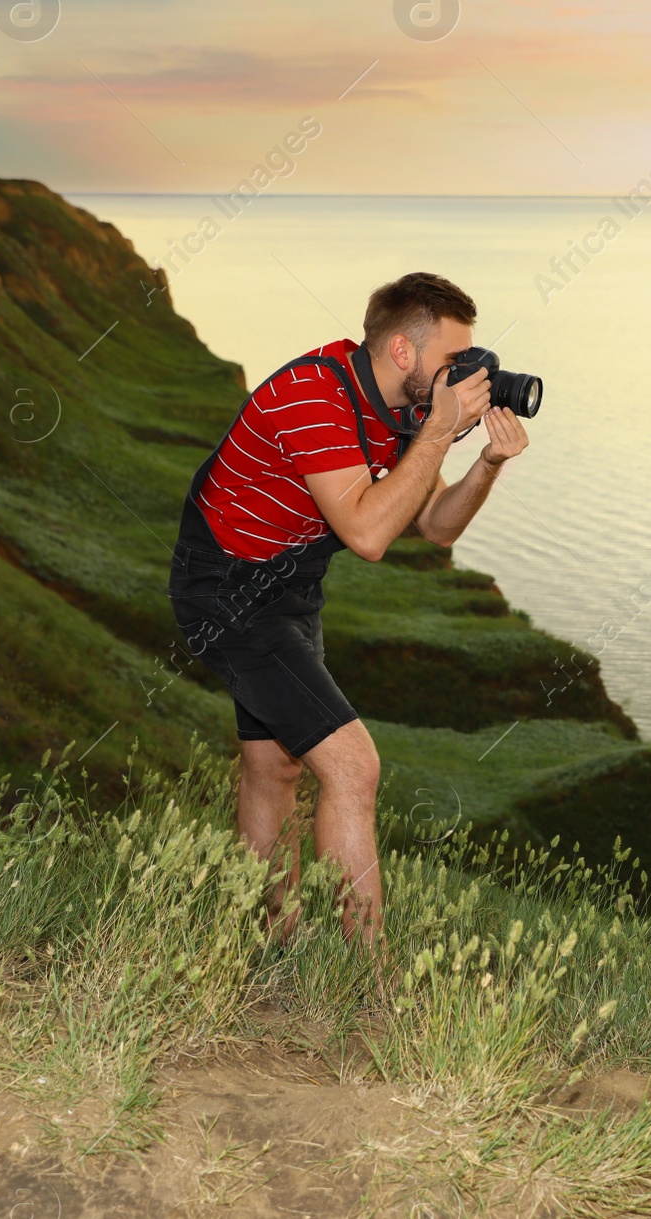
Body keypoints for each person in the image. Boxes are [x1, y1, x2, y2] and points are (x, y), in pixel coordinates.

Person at [167, 272, 529, 951]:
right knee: (354, 767)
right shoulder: (315, 397)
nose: (465, 379)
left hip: (292, 588)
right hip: (227, 588)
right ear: (401, 352)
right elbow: (367, 535)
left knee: (275, 766)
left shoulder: (406, 410)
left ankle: (263, 942)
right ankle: (368, 981)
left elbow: (437, 527)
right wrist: (437, 434)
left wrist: (485, 462)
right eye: (452, 364)